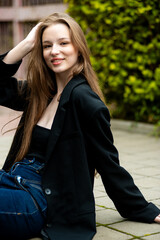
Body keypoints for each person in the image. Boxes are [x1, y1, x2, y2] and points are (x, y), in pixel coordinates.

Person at [0, 12, 159, 240]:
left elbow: (109, 164)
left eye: (63, 43)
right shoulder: (41, 93)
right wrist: (26, 44)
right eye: (46, 46)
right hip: (12, 179)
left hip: (38, 198)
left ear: (79, 48)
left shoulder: (85, 101)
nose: (54, 51)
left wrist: (142, 209)